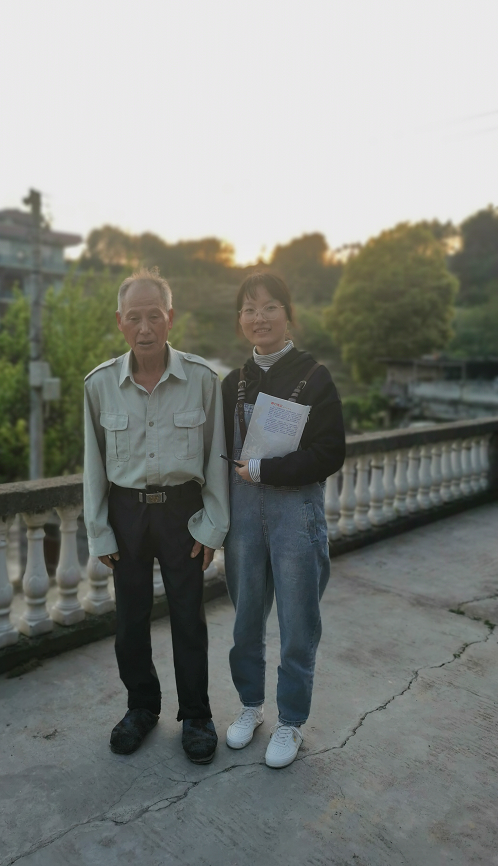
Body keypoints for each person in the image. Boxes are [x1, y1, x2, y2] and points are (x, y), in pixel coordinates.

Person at [83, 267, 229, 764]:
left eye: (153, 316)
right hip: (126, 513)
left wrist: (213, 526)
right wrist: (99, 530)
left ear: (170, 317)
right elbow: (93, 464)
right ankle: (141, 707)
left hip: (183, 512)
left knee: (188, 617)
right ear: (119, 322)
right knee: (130, 620)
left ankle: (197, 716)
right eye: (134, 318)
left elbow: (216, 458)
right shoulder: (100, 384)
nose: (144, 328)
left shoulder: (202, 380)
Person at [221, 272, 345, 768]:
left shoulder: (315, 377)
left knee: (298, 623)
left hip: (296, 515)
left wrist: (265, 470)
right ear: (240, 320)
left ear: (288, 316)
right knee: (246, 620)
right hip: (244, 519)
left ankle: (290, 720)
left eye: (270, 307)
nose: (260, 318)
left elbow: (330, 452)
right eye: (250, 309)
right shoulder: (232, 383)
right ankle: (251, 706)